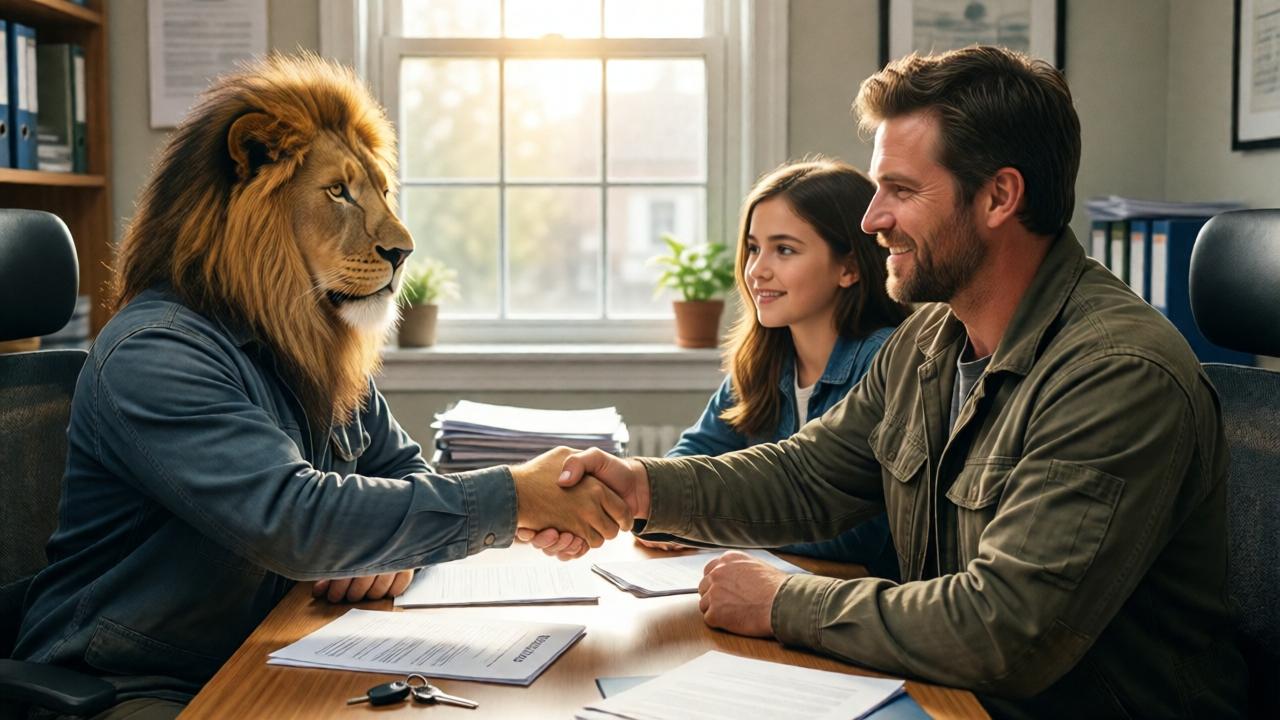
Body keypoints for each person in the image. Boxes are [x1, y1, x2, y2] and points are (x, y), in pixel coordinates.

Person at [545, 46, 1247, 718]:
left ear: (1000, 196)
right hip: (941, 692)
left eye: (900, 190)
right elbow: (807, 476)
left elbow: (1003, 632)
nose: (871, 218)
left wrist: (781, 602)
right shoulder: (927, 342)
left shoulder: (1115, 374)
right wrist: (642, 488)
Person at [12, 55, 627, 718]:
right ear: (250, 180)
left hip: (275, 646)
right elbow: (295, 519)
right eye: (340, 194)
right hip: (132, 684)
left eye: (380, 194)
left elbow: (401, 472)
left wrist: (390, 551)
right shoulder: (156, 352)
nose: (395, 236)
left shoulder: (307, 340)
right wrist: (514, 497)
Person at [648, 159, 909, 581]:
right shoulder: (764, 360)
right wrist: (670, 508)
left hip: (852, 609)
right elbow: (692, 456)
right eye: (754, 248)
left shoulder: (886, 362)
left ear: (850, 268)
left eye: (784, 249)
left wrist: (700, 521)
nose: (757, 270)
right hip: (773, 590)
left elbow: (857, 535)